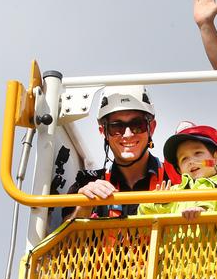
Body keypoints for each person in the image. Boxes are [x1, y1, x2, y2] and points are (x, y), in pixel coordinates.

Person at [65, 86, 177, 219]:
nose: (128, 134)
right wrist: (84, 206)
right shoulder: (87, 182)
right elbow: (65, 234)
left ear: (151, 128)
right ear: (103, 132)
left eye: (137, 125)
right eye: (117, 127)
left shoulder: (176, 177)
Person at [138, 124, 217, 220]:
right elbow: (142, 217)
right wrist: (159, 204)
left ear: (216, 158)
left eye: (198, 153)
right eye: (184, 159)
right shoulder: (173, 193)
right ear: (179, 170)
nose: (191, 161)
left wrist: (205, 208)